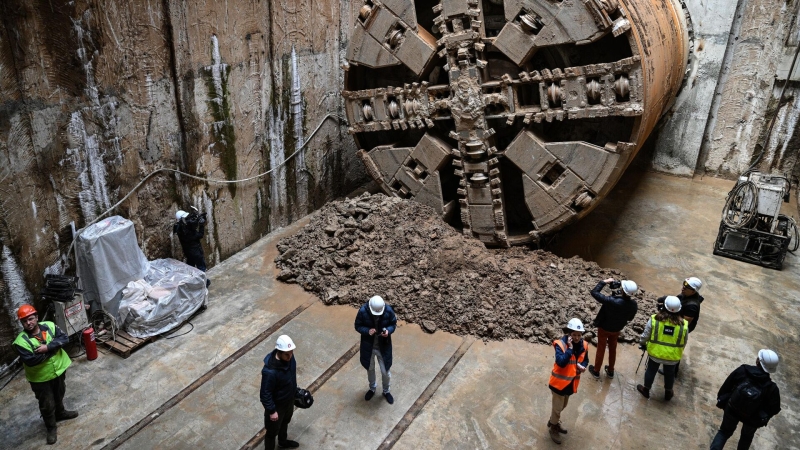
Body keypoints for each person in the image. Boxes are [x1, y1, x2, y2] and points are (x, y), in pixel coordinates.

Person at [12, 305, 78, 445]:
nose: (28, 323)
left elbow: (64, 339)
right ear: (21, 323)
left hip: (58, 370)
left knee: (59, 393)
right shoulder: (21, 341)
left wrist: (47, 348)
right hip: (40, 378)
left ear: (36, 317)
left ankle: (60, 413)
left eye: (30, 319)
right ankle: (51, 427)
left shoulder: (49, 326)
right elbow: (31, 360)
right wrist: (54, 348)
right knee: (47, 403)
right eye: (24, 321)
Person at [710, 349, 781, 450]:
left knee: (724, 432)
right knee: (746, 438)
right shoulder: (772, 388)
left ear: (757, 361)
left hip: (732, 409)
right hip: (752, 418)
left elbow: (726, 386)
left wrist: (723, 401)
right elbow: (774, 408)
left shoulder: (743, 370)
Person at [637, 296, 688, 401]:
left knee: (651, 371)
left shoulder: (655, 319)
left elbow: (646, 334)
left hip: (655, 353)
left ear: (663, 307)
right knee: (670, 374)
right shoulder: (684, 324)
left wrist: (642, 343)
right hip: (673, 356)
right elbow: (684, 341)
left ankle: (646, 390)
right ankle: (668, 392)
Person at [547, 318, 589, 445]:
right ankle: (553, 427)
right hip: (558, 384)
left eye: (579, 335)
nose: (577, 338)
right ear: (569, 334)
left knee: (562, 406)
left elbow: (586, 359)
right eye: (574, 335)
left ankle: (553, 421)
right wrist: (570, 349)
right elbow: (561, 362)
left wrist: (582, 365)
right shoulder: (561, 345)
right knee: (557, 408)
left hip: (570, 383)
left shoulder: (584, 345)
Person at [587, 278, 638, 380]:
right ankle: (611, 370)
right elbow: (630, 318)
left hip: (604, 327)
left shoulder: (612, 301)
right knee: (612, 349)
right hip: (617, 329)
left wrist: (603, 282)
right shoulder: (633, 305)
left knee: (601, 348)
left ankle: (596, 371)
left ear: (623, 290)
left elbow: (594, 292)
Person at [354, 295, 397, 404]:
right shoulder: (363, 311)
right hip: (368, 346)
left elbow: (393, 324)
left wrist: (388, 331)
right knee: (370, 368)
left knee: (385, 371)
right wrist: (367, 331)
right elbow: (357, 325)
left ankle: (386, 391)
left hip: (384, 347)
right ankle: (372, 388)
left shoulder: (388, 310)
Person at [260, 335, 300, 450]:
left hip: (288, 400)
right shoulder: (270, 372)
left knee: (285, 422)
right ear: (279, 352)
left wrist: (295, 392)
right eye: (287, 354)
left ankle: (282, 442)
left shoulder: (290, 358)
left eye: (291, 352)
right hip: (277, 406)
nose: (290, 356)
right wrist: (272, 411)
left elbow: (292, 377)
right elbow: (265, 394)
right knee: (272, 432)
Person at [659, 277, 704, 376]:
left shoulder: (692, 305)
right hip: (679, 321)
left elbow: (684, 322)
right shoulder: (686, 295)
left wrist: (669, 314)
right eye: (684, 284)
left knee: (675, 347)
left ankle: (672, 371)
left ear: (693, 291)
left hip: (682, 328)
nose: (683, 288)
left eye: (687, 287)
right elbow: (678, 299)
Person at [174, 209, 210, 287]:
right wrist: (201, 225)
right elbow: (200, 235)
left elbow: (191, 226)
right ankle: (203, 284)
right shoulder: (185, 231)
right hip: (195, 251)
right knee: (201, 267)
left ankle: (190, 283)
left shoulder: (180, 228)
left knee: (190, 267)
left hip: (188, 252)